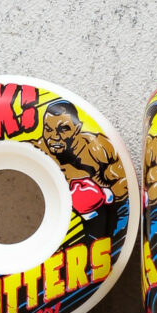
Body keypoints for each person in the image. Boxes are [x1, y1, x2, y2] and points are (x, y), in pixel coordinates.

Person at [29, 100, 129, 241]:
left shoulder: (98, 149)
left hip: (107, 218)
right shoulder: (36, 150)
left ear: (77, 128)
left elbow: (124, 189)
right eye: (48, 129)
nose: (54, 137)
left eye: (63, 129)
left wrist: (102, 191)